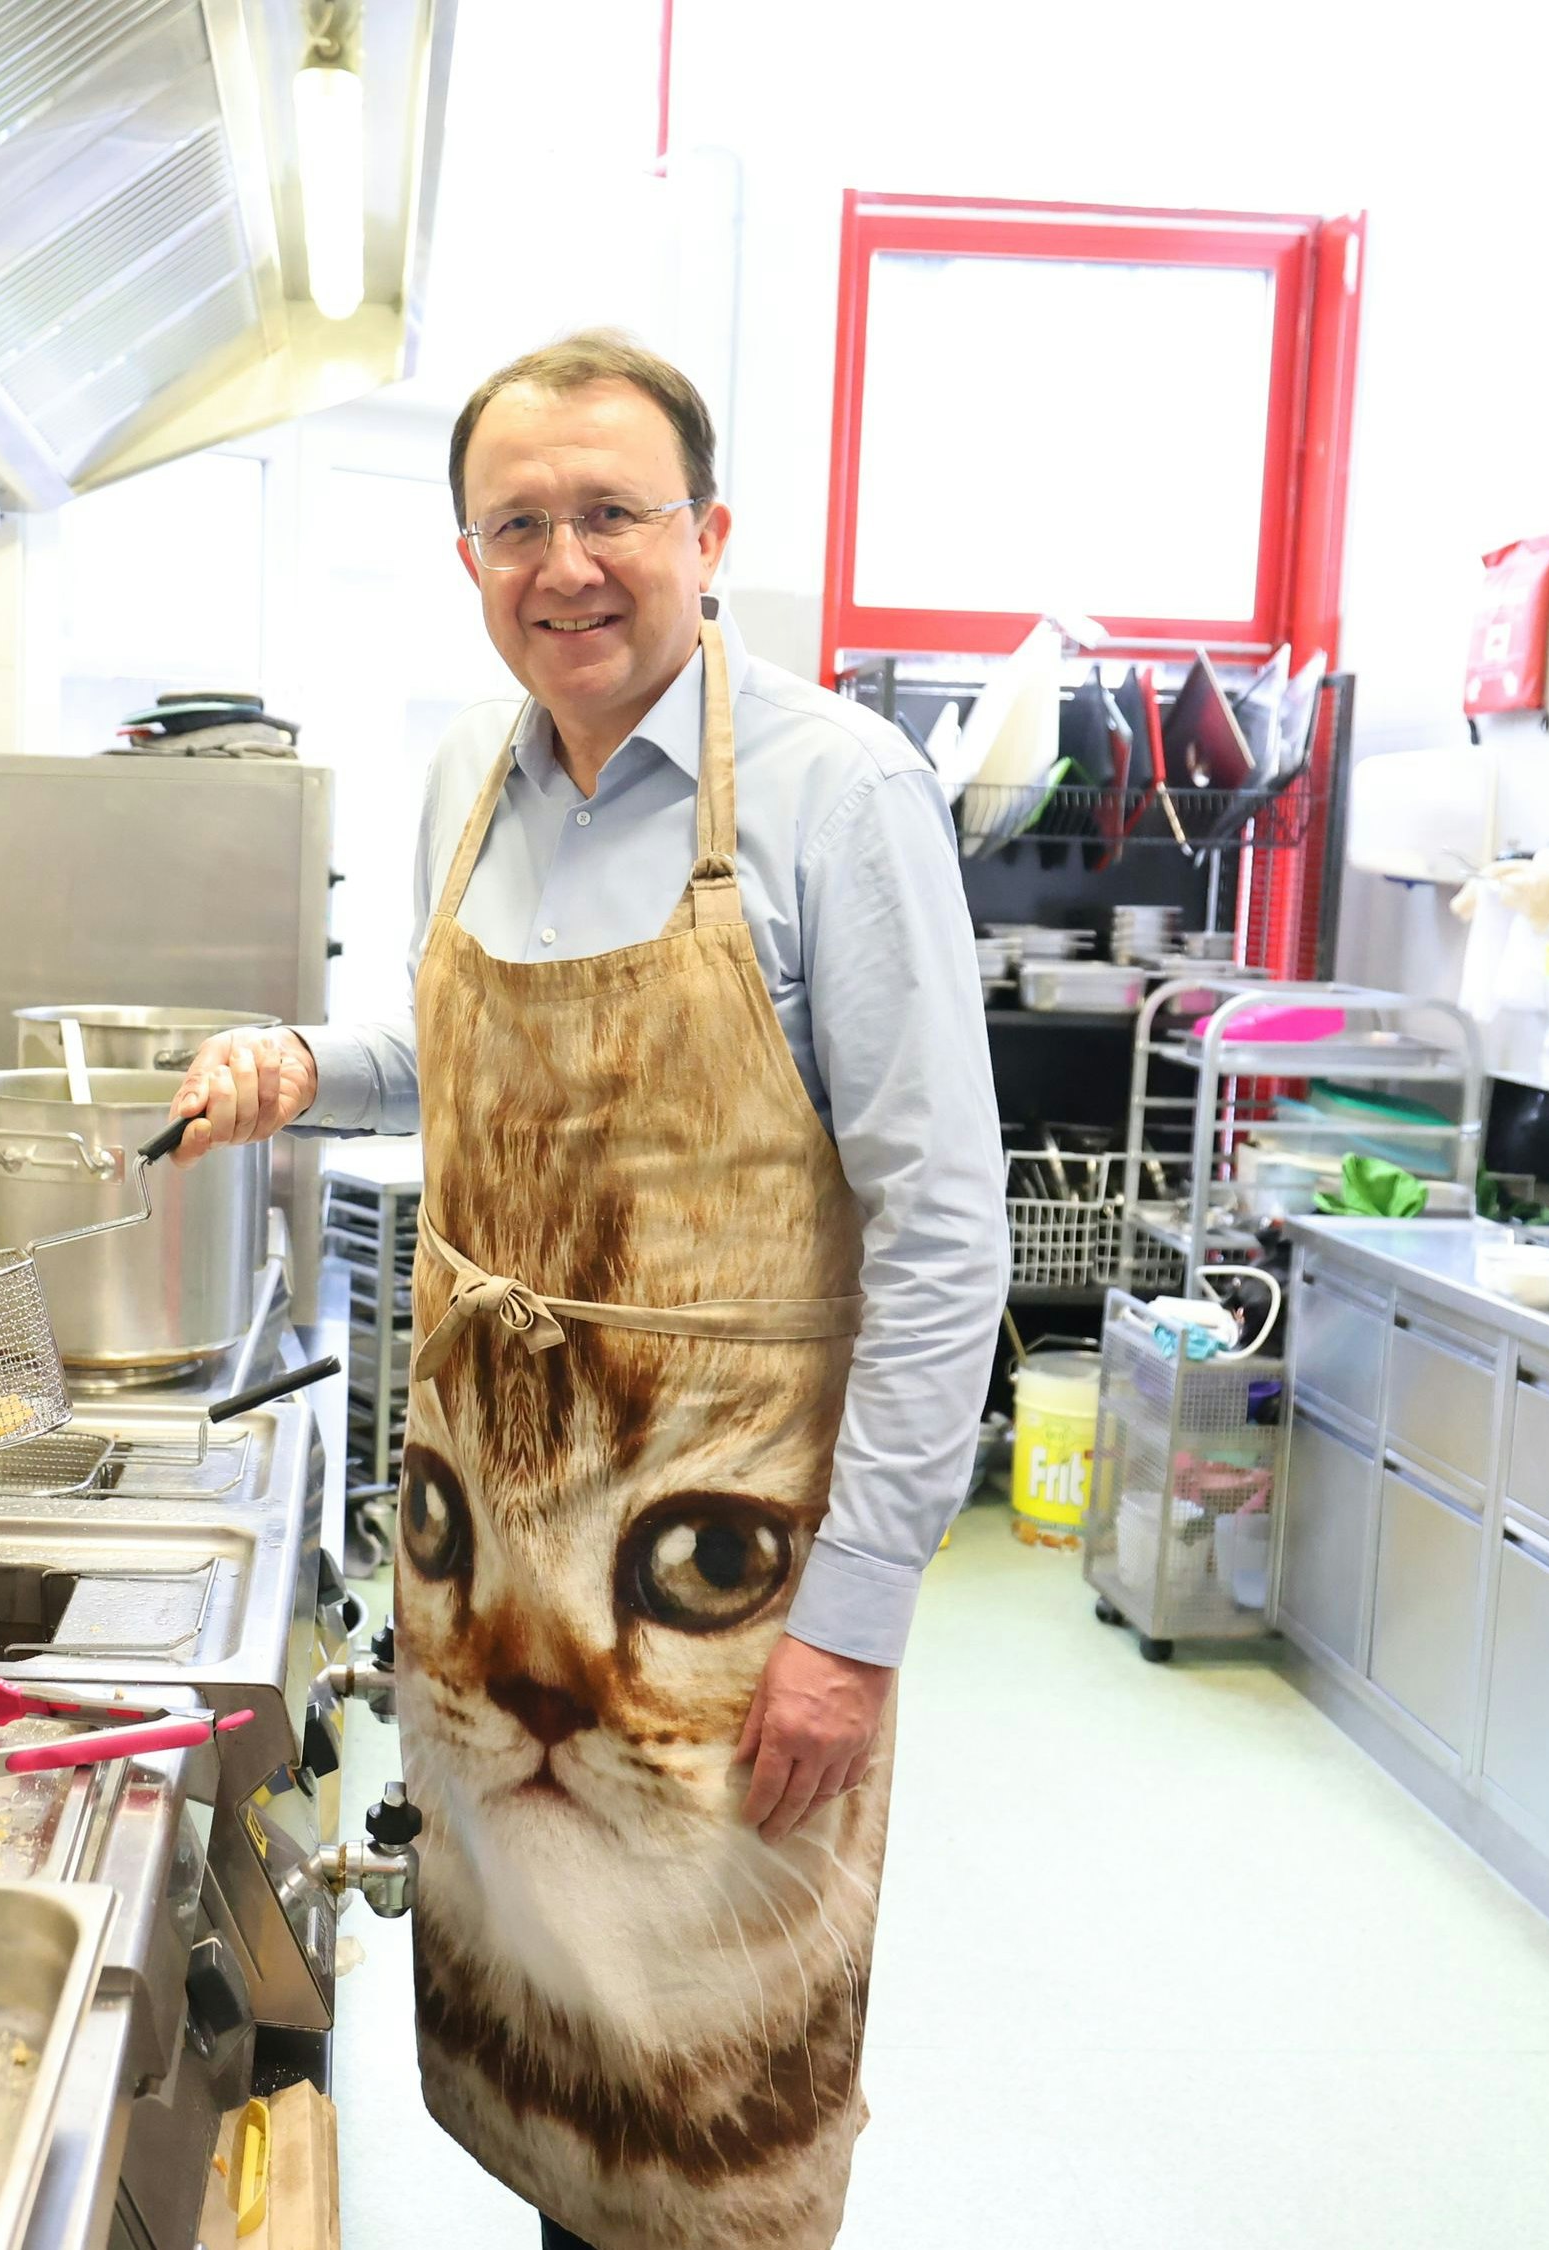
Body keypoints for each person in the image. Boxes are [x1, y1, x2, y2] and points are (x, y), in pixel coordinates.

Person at [163, 331, 1006, 2250]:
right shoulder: (471, 770)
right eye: (518, 522)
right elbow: (455, 1050)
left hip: (711, 1587)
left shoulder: (840, 792)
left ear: (708, 534)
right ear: (470, 557)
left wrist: (851, 1628)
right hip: (501, 1564)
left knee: (713, 2125)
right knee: (557, 2105)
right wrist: (311, 1065)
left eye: (613, 514)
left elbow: (945, 1232)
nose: (568, 564)